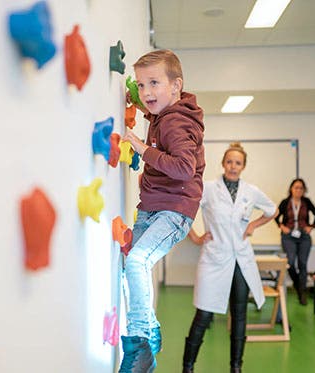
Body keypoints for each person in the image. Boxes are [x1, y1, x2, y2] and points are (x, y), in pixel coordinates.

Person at [119, 49, 205, 373]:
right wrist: (131, 93)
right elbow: (148, 105)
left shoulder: (175, 122)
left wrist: (143, 149)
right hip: (153, 206)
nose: (146, 93)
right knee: (132, 265)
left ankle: (140, 341)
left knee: (138, 260)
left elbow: (184, 167)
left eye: (154, 83)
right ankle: (151, 330)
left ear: (176, 86)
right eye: (141, 85)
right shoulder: (163, 113)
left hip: (174, 210)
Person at [182, 143, 278, 373]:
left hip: (241, 260)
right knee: (203, 313)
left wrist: (254, 224)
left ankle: (236, 367)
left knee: (240, 315)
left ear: (243, 166)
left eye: (238, 163)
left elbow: (272, 210)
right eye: (229, 162)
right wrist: (195, 237)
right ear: (223, 163)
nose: (233, 166)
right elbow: (183, 208)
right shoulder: (208, 189)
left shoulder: (251, 191)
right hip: (215, 257)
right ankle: (188, 366)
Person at [275, 178, 315, 305]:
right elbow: (276, 216)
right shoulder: (285, 202)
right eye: (296, 187)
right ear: (291, 189)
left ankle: (302, 293)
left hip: (303, 236)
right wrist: (281, 226)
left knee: (303, 263)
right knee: (290, 262)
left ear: (304, 190)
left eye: (301, 188)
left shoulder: (306, 202)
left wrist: (311, 226)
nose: (298, 190)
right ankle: (297, 284)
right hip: (288, 236)